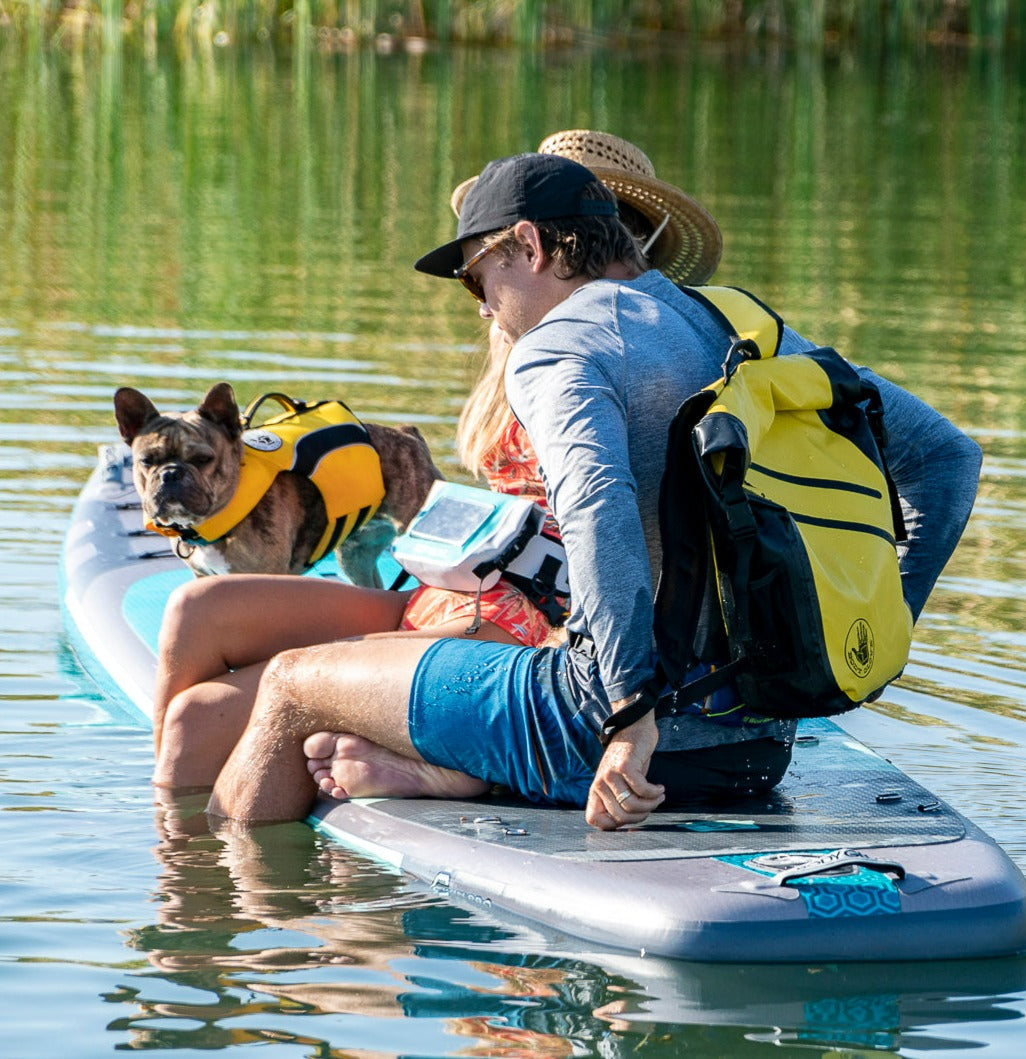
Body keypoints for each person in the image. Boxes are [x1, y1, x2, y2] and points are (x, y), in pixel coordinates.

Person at [205, 151, 981, 830]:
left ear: (530, 246)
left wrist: (629, 714)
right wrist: (867, 634)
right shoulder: (735, 325)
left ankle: (212, 911)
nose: (481, 304)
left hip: (600, 733)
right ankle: (457, 773)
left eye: (478, 275)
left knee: (290, 684)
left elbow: (596, 507)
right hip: (755, 749)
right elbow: (948, 460)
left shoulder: (555, 348)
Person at [153, 129, 717, 793]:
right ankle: (178, 842)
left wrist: (627, 706)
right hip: (469, 587)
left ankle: (414, 773)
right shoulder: (527, 343)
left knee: (207, 714)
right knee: (198, 611)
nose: (480, 293)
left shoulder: (609, 356)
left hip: (535, 623)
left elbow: (605, 525)